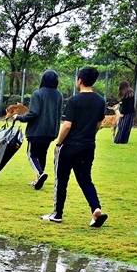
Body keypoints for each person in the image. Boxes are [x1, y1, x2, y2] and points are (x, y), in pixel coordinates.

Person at [42, 66, 109, 227]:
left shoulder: (74, 101)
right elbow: (99, 124)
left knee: (62, 180)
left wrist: (58, 143)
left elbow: (67, 126)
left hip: (70, 146)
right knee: (86, 180)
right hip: (88, 146)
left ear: (79, 80)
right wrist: (89, 136)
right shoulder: (100, 101)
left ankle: (57, 213)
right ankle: (96, 208)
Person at [15, 69, 63, 190]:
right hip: (51, 131)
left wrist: (18, 117)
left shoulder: (37, 94)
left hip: (37, 131)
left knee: (31, 154)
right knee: (42, 153)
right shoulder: (59, 95)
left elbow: (33, 113)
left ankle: (40, 174)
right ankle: (38, 179)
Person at [112, 80, 136, 144]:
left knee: (122, 126)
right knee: (128, 127)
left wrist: (121, 113)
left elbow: (125, 105)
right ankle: (125, 140)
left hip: (125, 112)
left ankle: (118, 140)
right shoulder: (131, 92)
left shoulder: (124, 93)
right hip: (131, 112)